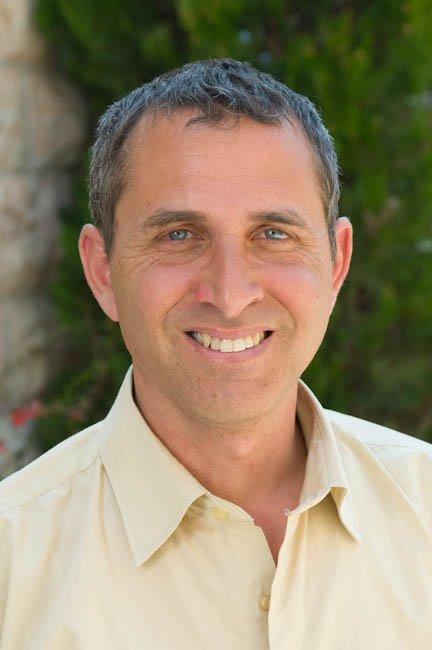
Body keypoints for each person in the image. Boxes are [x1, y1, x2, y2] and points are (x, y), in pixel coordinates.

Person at [0, 58, 431, 650]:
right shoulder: (12, 572)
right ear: (102, 271)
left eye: (273, 234)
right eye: (179, 235)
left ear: (337, 263)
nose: (230, 296)